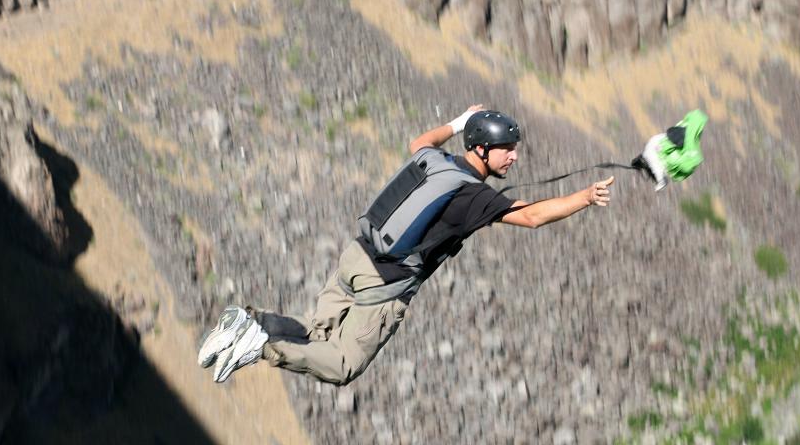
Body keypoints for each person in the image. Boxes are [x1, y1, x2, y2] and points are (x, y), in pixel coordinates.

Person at [197, 105, 614, 385]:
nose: (514, 157)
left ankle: (248, 322)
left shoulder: (436, 161)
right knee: (342, 364)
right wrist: (585, 197)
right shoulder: (473, 196)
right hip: (385, 285)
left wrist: (456, 122)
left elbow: (420, 141)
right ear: (483, 149)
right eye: (507, 149)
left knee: (313, 331)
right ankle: (260, 344)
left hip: (355, 257)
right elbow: (532, 216)